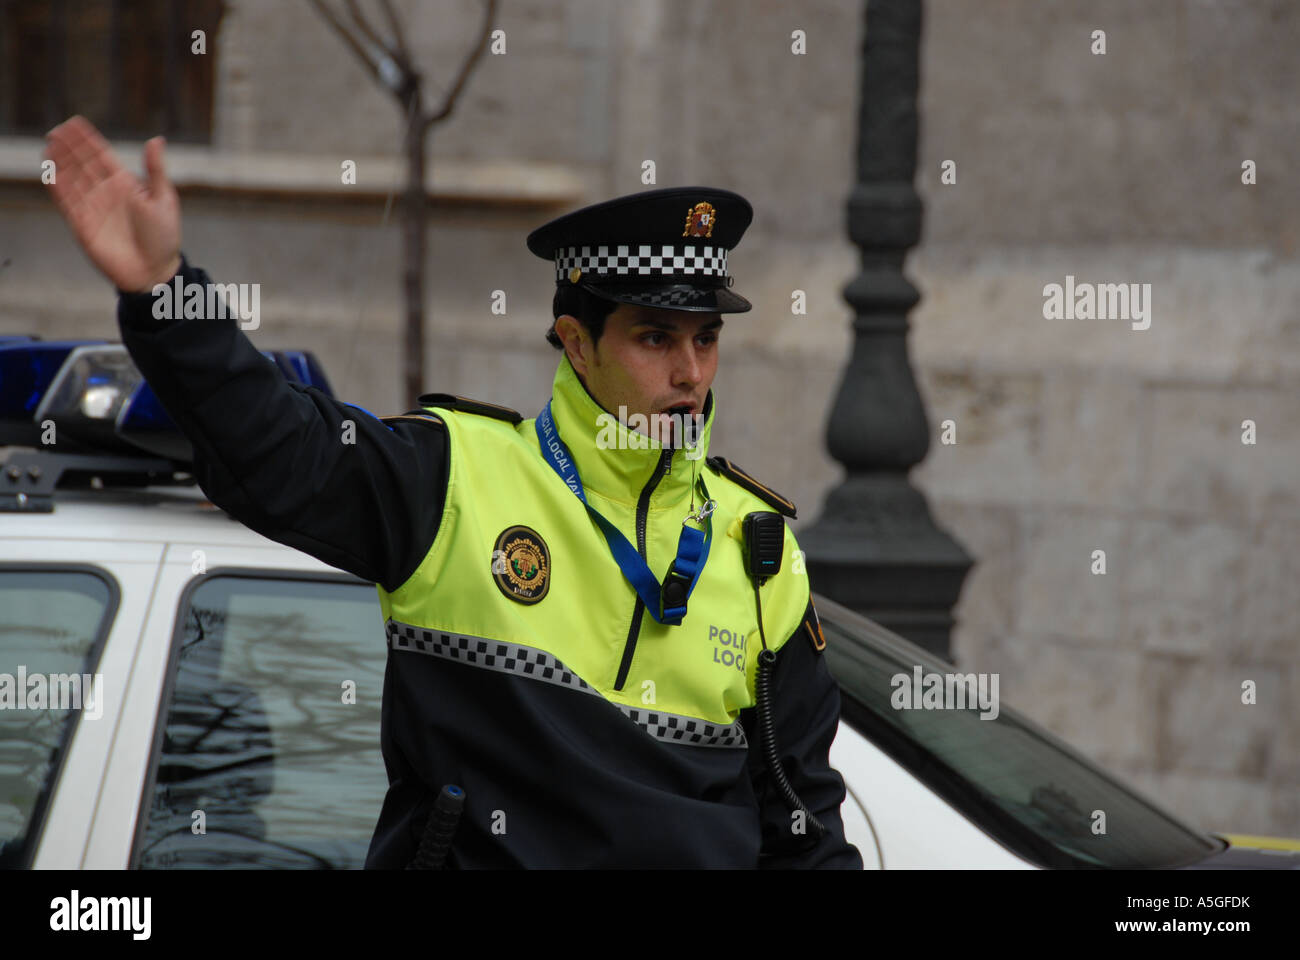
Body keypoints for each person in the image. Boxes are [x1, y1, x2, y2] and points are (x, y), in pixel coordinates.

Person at [43, 115, 863, 869]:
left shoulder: (759, 552)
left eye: (706, 340)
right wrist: (164, 289)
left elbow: (805, 827)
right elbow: (277, 449)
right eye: (655, 338)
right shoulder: (456, 478)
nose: (689, 374)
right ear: (577, 345)